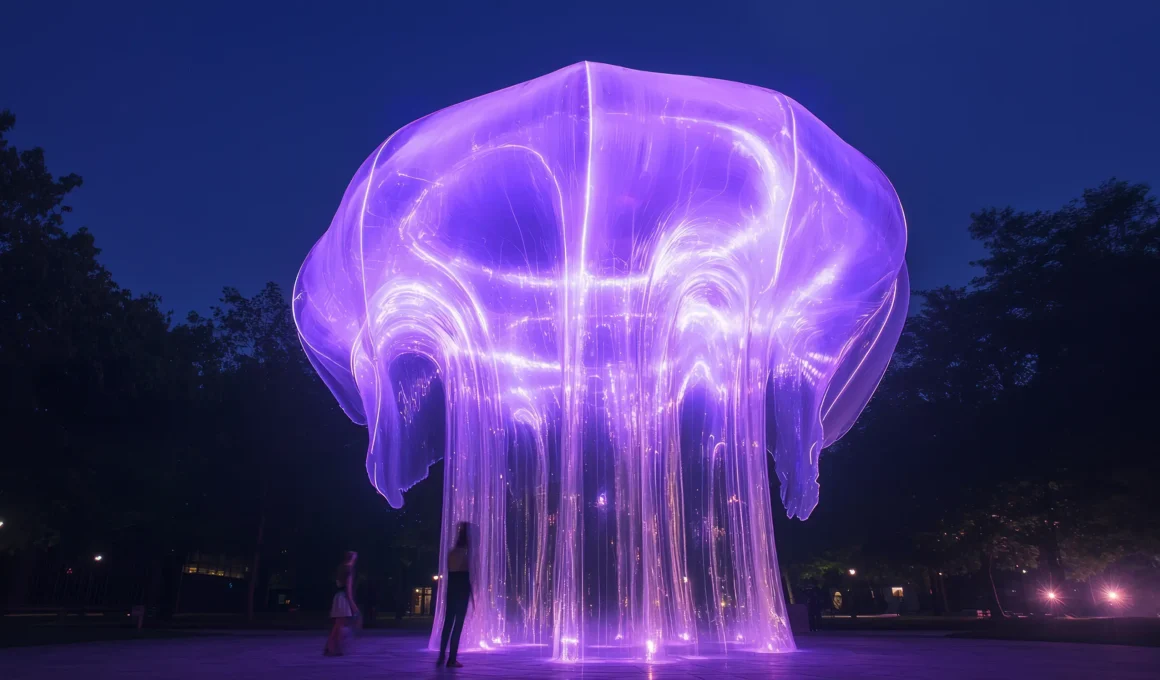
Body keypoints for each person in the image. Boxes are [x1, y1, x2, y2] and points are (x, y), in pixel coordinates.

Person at [437, 523, 473, 668]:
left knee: (448, 623)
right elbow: (469, 574)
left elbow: (450, 571)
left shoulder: (451, 553)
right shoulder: (467, 553)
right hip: (462, 589)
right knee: (457, 625)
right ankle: (452, 659)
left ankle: (441, 656)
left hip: (451, 589)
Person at [324, 551, 359, 656]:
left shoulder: (341, 568)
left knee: (338, 624)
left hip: (339, 596)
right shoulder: (349, 570)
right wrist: (353, 605)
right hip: (343, 598)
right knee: (340, 624)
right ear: (352, 558)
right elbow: (348, 589)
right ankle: (335, 648)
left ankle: (330, 647)